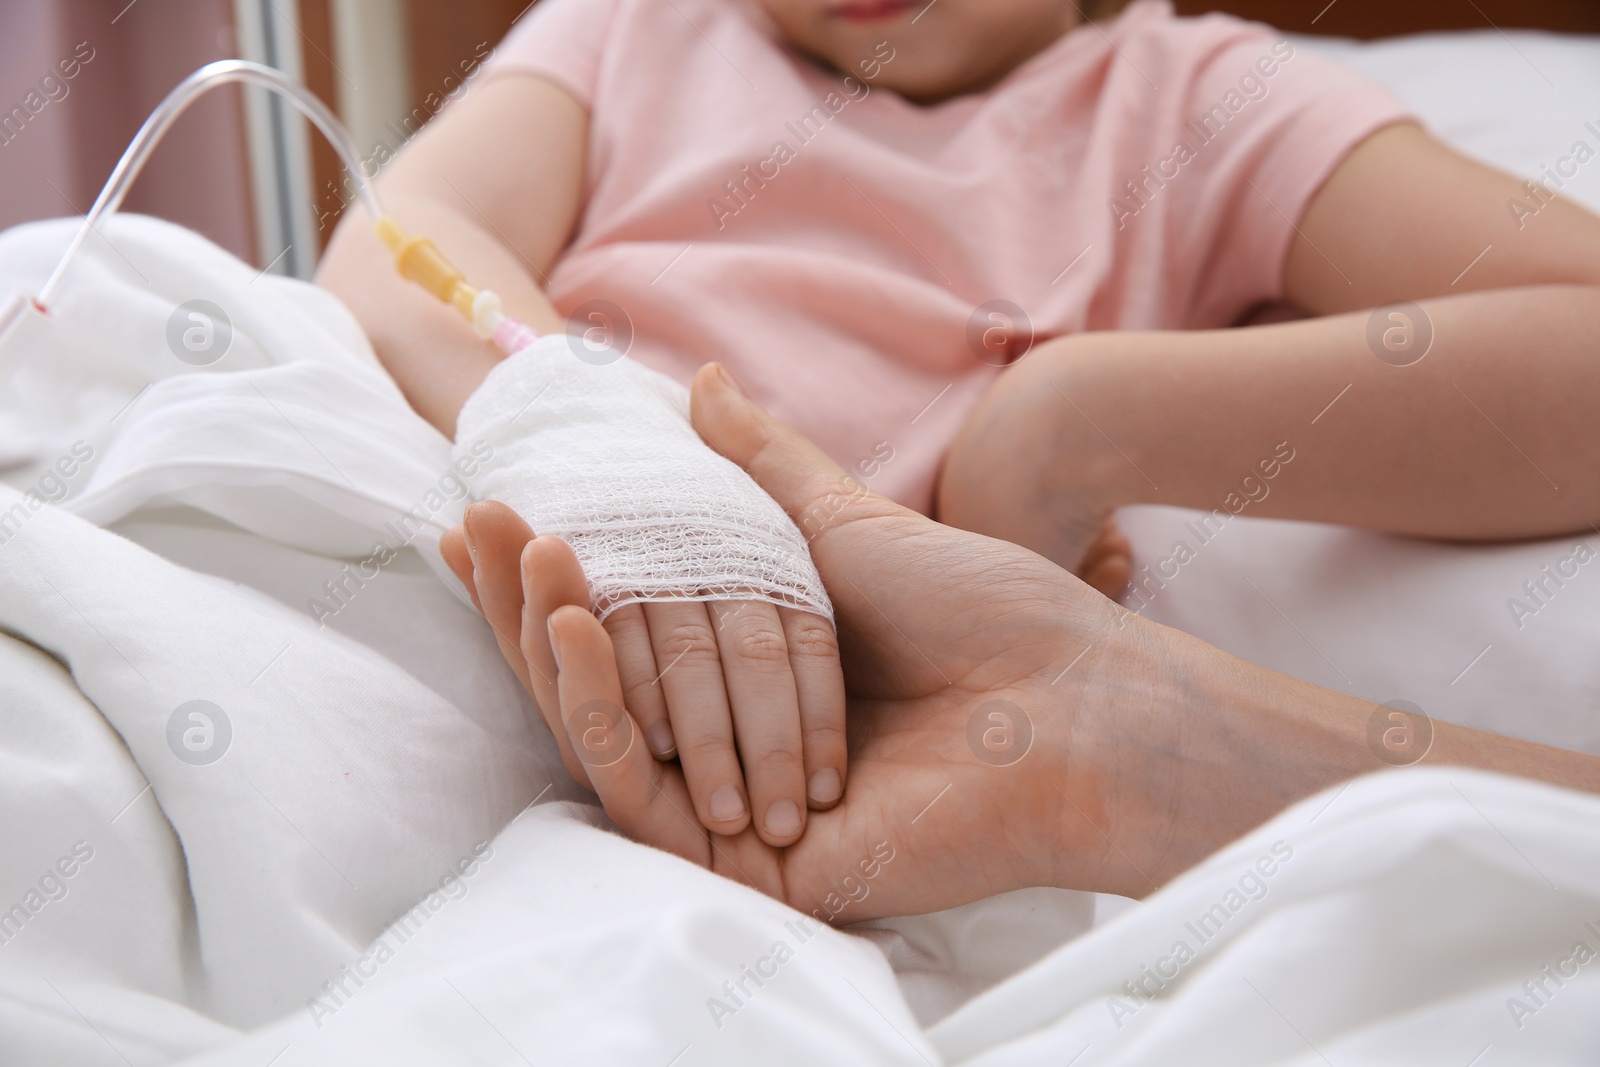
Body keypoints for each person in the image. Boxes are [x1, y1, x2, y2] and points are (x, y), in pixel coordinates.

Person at [318, 0, 1600, 847]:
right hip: (481, 559)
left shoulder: (1194, 101)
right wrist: (614, 450)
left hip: (804, 751)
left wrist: (1069, 420)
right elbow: (395, 240)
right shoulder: (637, 26)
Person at [440, 364, 1600, 921]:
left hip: (920, 754)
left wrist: (1069, 422)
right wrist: (593, 420)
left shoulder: (1185, 91)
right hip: (701, 761)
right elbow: (415, 264)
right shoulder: (623, 45)